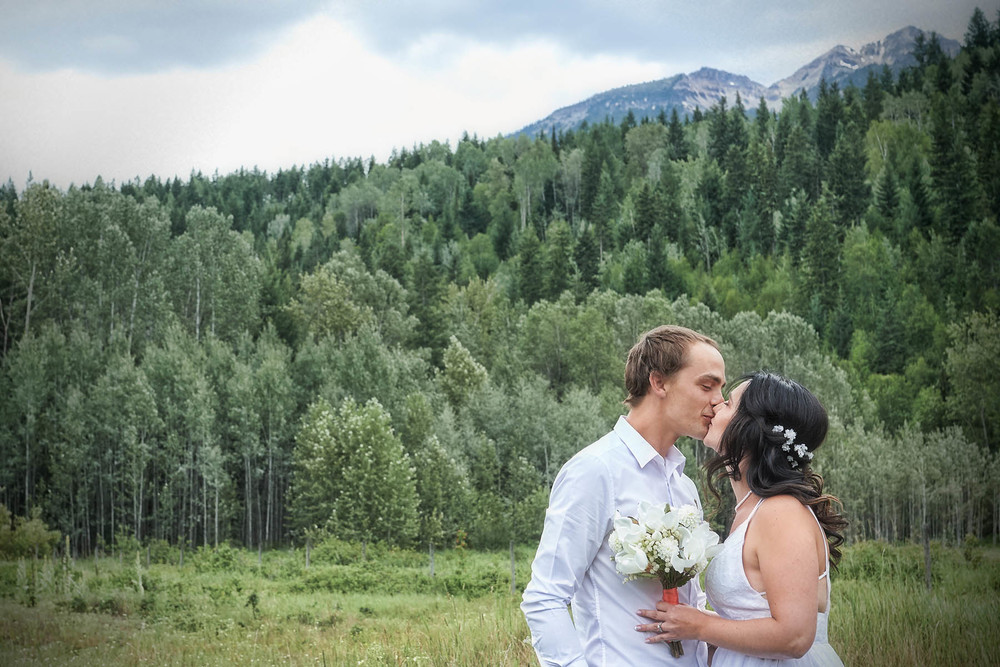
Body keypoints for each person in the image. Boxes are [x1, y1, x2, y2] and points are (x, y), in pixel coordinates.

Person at [522, 325, 726, 666]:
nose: (719, 401)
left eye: (721, 388)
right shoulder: (595, 471)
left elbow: (693, 601)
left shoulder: (684, 486)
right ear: (658, 382)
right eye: (707, 386)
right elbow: (545, 598)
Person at [635, 371, 847, 666]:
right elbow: (752, 615)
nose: (717, 404)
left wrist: (700, 626)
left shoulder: (781, 512)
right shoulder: (755, 509)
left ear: (752, 429)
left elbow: (795, 637)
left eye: (729, 403)